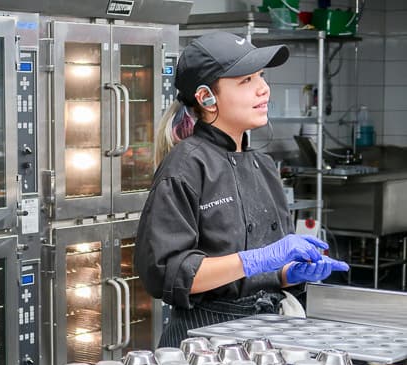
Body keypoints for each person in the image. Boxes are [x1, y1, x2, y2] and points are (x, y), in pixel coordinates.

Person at [134, 32, 349, 348]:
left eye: (261, 76)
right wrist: (257, 259)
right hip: (206, 340)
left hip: (264, 332)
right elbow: (166, 273)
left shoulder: (262, 164)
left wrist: (289, 274)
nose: (264, 89)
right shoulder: (186, 166)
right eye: (246, 80)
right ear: (207, 98)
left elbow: (262, 270)